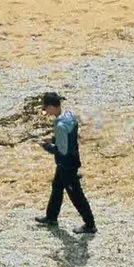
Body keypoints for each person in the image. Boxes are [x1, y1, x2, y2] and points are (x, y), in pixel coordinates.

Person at [33, 90, 95, 233]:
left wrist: (46, 146)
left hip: (66, 164)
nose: (46, 111)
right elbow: (69, 138)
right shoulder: (70, 116)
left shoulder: (60, 125)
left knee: (76, 195)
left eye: (46, 108)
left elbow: (61, 150)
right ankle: (51, 217)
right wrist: (53, 139)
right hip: (71, 160)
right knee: (56, 188)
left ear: (51, 107)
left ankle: (90, 224)